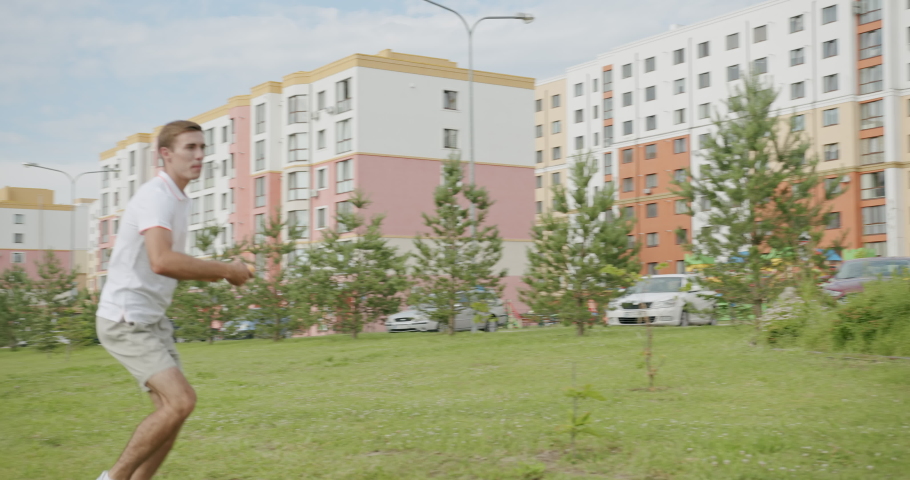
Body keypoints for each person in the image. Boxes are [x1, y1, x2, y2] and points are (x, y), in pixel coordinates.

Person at [95, 120, 253, 480]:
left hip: (151, 319)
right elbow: (162, 260)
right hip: (125, 319)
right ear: (165, 154)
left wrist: (221, 272)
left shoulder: (179, 198)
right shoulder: (157, 196)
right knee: (181, 401)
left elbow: (170, 263)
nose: (199, 156)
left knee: (172, 414)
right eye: (190, 148)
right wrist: (226, 270)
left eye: (202, 147)